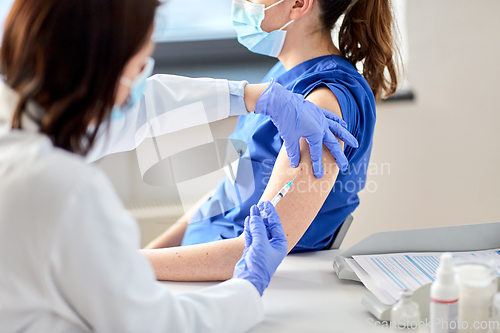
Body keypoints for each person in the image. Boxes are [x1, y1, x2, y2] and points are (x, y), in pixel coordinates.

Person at [0, 0, 357, 332]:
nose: (141, 85)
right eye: (140, 67)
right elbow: (159, 324)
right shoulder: (63, 188)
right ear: (95, 72)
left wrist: (249, 95)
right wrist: (249, 285)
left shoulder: (325, 92)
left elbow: (145, 110)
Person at [144, 0, 400, 281]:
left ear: (299, 4)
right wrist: (147, 253)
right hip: (190, 265)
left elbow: (254, 251)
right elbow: (226, 195)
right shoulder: (279, 79)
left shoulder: (323, 103)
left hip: (229, 282)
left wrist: (129, 266)